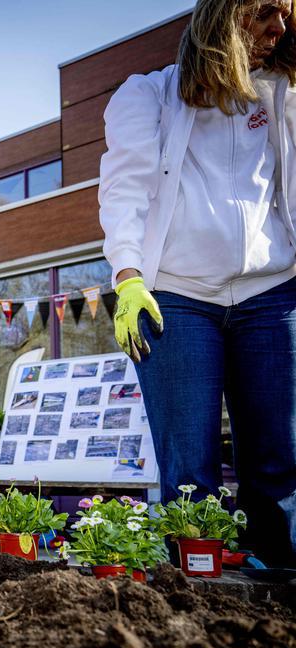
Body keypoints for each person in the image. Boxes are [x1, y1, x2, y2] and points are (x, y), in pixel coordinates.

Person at [100, 0, 296, 565]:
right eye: (264, 13)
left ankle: (280, 574)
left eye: (286, 15)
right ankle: (199, 591)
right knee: (189, 466)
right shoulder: (148, 96)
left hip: (271, 293)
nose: (278, 28)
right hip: (177, 298)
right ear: (224, 17)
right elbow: (125, 190)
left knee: (279, 457)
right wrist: (129, 277)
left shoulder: (282, 93)